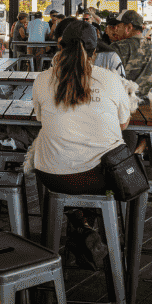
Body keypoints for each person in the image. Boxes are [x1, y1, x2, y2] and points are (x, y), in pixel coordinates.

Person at [28, 20, 137, 195]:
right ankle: (92, 212)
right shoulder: (110, 78)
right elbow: (122, 125)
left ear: (61, 46)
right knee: (130, 135)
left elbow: (40, 119)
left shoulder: (42, 79)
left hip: (51, 175)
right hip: (99, 177)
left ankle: (77, 212)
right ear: (94, 52)